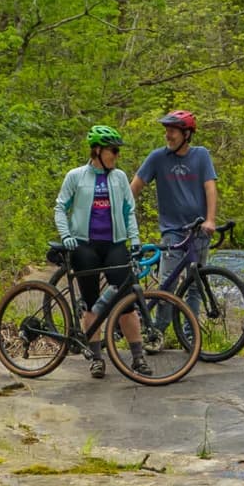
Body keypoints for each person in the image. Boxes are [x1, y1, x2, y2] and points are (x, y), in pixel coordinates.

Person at [53, 123, 140, 378]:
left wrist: (134, 240)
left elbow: (129, 211)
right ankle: (97, 359)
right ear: (98, 150)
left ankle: (138, 357)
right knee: (91, 303)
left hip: (115, 244)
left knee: (127, 302)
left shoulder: (120, 177)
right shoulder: (76, 176)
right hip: (85, 246)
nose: (117, 155)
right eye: (113, 150)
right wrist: (66, 235)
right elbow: (60, 207)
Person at [134, 109, 217, 296]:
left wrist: (210, 220)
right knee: (168, 283)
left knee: (196, 284)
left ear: (186, 134)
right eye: (166, 131)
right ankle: (161, 316)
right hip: (172, 230)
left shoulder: (201, 155)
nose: (167, 136)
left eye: (172, 131)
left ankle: (190, 317)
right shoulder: (157, 158)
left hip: (199, 230)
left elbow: (210, 187)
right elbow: (135, 187)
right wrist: (121, 215)